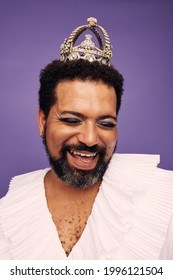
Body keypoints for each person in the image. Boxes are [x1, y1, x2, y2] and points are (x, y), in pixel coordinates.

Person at [0, 17, 173, 260]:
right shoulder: (7, 217)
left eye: (106, 123)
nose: (91, 139)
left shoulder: (165, 199)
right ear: (42, 121)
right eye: (71, 120)